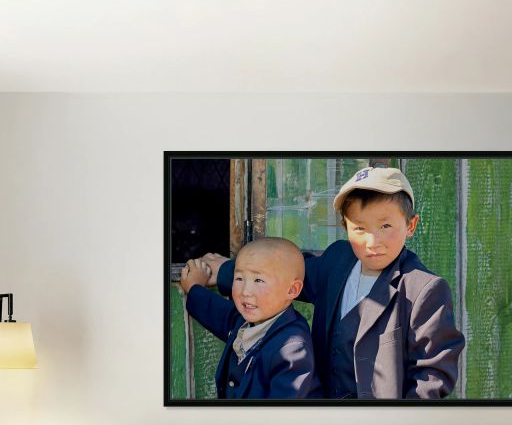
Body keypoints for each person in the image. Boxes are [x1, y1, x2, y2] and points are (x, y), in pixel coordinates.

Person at [201, 166, 464, 399]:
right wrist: (224, 271)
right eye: (360, 228)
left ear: (410, 225)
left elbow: (433, 374)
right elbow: (284, 274)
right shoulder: (337, 261)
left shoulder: (423, 290)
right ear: (345, 227)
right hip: (321, 417)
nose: (372, 242)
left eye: (385, 226)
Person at [179, 236, 321, 399]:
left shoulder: (291, 350)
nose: (245, 291)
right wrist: (194, 287)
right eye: (239, 278)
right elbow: (217, 313)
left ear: (292, 290)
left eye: (258, 280)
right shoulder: (247, 321)